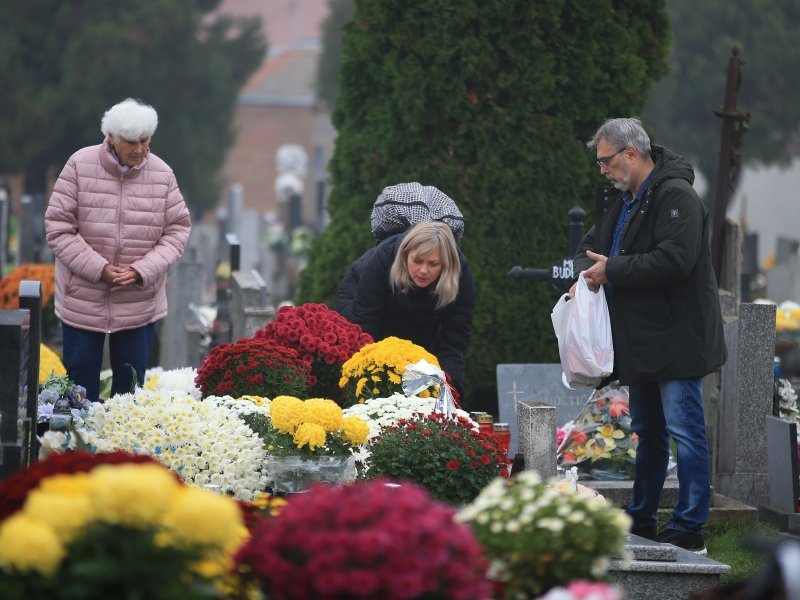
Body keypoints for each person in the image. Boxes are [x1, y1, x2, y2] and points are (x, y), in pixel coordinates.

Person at [571, 117, 726, 554]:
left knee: (685, 429)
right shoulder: (624, 199)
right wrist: (586, 272)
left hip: (677, 337)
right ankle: (642, 519)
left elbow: (674, 261)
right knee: (649, 432)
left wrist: (612, 269)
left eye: (606, 161)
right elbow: (590, 246)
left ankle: (689, 527)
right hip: (642, 339)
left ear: (632, 154)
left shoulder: (676, 196)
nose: (602, 170)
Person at [45, 98, 191, 403]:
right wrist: (99, 269)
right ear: (111, 137)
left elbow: (177, 231)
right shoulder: (79, 165)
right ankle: (76, 449)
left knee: (130, 395)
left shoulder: (162, 175)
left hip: (138, 301)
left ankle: (124, 451)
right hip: (83, 299)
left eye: (145, 141)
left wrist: (142, 270)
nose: (139, 150)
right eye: (131, 142)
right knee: (79, 393)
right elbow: (58, 226)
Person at [337, 220, 476, 397]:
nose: (423, 270)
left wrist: (449, 388)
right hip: (366, 304)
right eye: (417, 261)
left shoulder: (461, 277)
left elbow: (454, 340)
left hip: (424, 313)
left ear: (446, 265)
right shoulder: (382, 260)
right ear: (405, 255)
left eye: (433, 264)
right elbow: (365, 327)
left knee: (426, 370)